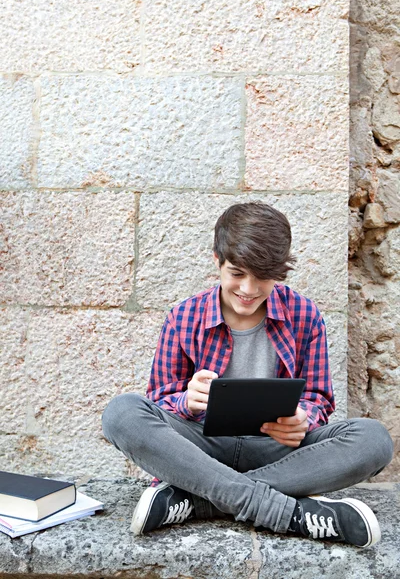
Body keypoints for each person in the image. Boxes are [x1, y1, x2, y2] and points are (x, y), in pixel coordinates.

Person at [102, 202, 393, 548]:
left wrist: (303, 418)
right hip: (201, 448)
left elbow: (318, 399)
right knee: (121, 412)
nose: (249, 289)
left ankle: (201, 501)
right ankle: (286, 513)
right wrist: (185, 401)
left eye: (263, 277)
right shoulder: (183, 316)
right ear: (217, 261)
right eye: (237, 273)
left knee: (374, 440)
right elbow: (159, 400)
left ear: (280, 271)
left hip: (279, 451)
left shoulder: (305, 314)